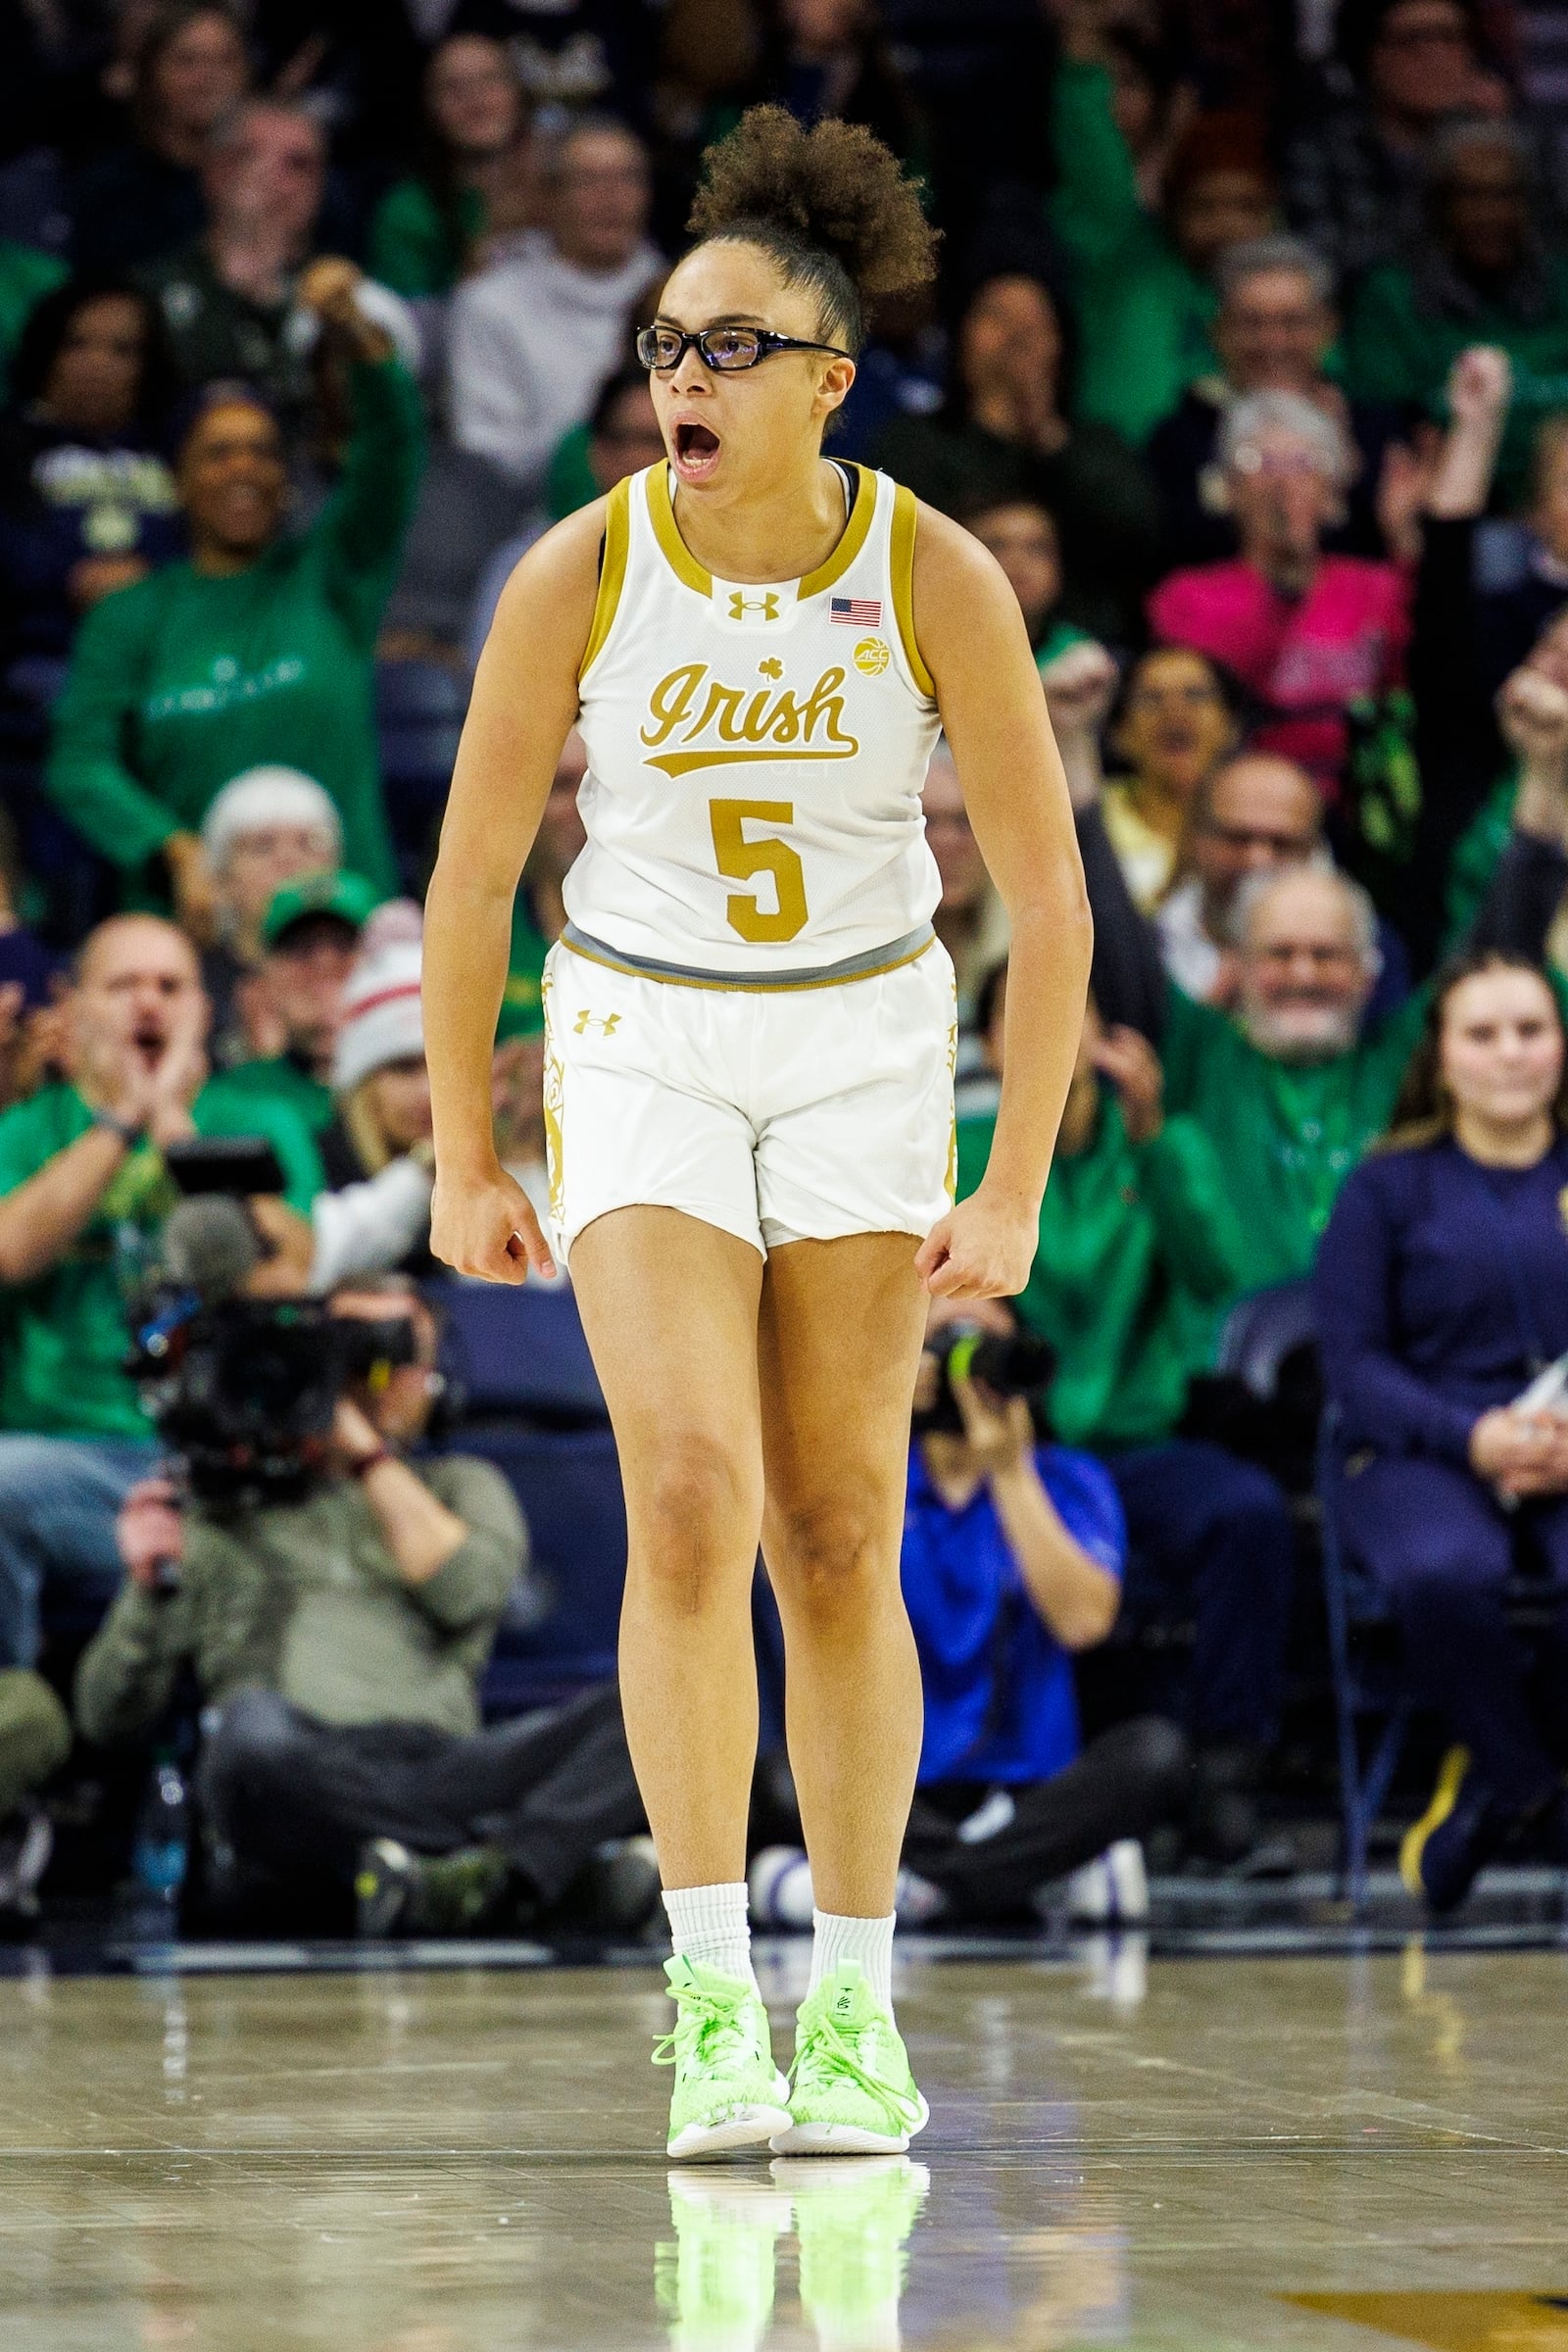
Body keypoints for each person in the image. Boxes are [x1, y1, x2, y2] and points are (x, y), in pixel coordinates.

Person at [421, 106, 1091, 2158]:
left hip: (867, 1051)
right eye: (663, 348)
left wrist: (1013, 1183)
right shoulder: (581, 567)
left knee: (839, 1531)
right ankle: (714, 1996)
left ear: (827, 377)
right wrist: (466, 1150)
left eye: (725, 348)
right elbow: (465, 886)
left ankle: (858, 2004)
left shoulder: (934, 571)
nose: (683, 380)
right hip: (638, 1043)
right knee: (693, 1499)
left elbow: (1046, 907)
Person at [74, 1279, 652, 1936]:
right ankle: (515, 1871)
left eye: (400, 1355)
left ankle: (480, 1875)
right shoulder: (222, 1511)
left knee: (660, 1702)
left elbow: (469, 1589)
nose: (375, 1377)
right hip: (293, 1772)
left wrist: (366, 1455)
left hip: (447, 1763)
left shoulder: (461, 1486)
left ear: (435, 1378)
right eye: (349, 1351)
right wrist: (151, 1587)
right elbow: (106, 1718)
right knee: (247, 1736)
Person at [956, 963, 1297, 1862]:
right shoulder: (961, 1145)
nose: (1050, 1029)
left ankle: (1228, 1774)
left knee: (1249, 1517)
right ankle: (979, 1785)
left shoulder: (1158, 1145)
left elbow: (1217, 1274)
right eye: (1021, 1014)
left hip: (1141, 1442)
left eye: (1072, 1008)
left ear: (1107, 1037)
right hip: (1021, 1446)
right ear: (991, 1045)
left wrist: (1154, 1137)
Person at [756, 1292, 1188, 1927]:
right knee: (783, 1775)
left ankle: (921, 1892)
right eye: (947, 1341)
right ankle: (1026, 1880)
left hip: (1028, 1792)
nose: (968, 1373)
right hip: (895, 1794)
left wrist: (1011, 1474)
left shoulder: (1068, 1478)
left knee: (1156, 1755)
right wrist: (877, 1413)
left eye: (987, 1343)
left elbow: (1084, 1622)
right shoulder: (866, 1485)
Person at [46, 264, 420, 918]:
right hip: (196, 933)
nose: (242, 467)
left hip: (346, 923)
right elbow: (79, 763)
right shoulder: (131, 616)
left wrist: (356, 336)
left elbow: (390, 450)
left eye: (262, 451)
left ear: (286, 478)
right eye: (217, 453)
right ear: (179, 480)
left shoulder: (334, 574)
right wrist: (171, 845)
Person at [1316, 951, 1568, 1913]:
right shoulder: (1384, 1189)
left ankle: (1491, 1794)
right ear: (1443, 1058)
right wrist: (1472, 1436)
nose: (1509, 1053)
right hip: (1418, 1446)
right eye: (1482, 1033)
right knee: (1444, 1571)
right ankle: (1530, 1792)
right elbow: (1353, 1366)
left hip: (1556, 1452)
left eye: (1530, 1030)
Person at [0, 914, 318, 1669]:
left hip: (224, 1460)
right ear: (72, 1008)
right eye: (122, 986)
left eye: (171, 986)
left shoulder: (256, 1119)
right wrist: (119, 1122)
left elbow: (284, 1269)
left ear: (202, 1013)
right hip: (66, 1458)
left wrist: (174, 1127)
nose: (150, 1004)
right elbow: (10, 1253)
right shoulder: (24, 1130)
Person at [870, 271, 1163, 647]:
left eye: (1037, 323)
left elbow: (1136, 538)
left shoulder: (1094, 442)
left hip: (1083, 653)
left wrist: (1046, 432)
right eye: (996, 316)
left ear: (1061, 347)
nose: (1018, 334)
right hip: (943, 639)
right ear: (961, 338)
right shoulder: (914, 441)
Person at [1150, 391, 1411, 796]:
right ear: (1228, 489)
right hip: (1240, 803)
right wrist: (1283, 578)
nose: (1282, 480)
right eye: (1259, 462)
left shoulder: (1380, 588)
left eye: (1304, 463)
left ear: (1332, 492)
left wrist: (1407, 540)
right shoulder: (1186, 598)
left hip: (1358, 810)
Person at [1049, 19, 1279, 448]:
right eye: (1204, 207)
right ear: (1174, 213)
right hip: (1128, 476)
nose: (1224, 224)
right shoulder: (1125, 260)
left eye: (1245, 207)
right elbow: (1098, 179)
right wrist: (1083, 64)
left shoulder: (1287, 297)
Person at [1145, 236, 1408, 568]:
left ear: (1327, 329)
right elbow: (1177, 553)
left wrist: (1347, 473)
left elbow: (1388, 554)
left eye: (1292, 322)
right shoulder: (1178, 440)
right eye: (1252, 323)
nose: (1273, 342)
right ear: (1219, 332)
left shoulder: (1373, 432)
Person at [1345, 119, 1568, 502]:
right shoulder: (1391, 296)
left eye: (1505, 195)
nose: (1489, 214)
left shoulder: (1561, 285)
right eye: (1470, 196)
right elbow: (1385, 431)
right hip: (1440, 507)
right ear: (1437, 205)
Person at [448, 116, 662, 500]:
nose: (610, 196)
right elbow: (485, 455)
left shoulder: (684, 299)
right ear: (551, 196)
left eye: (627, 178)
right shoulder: (490, 305)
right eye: (588, 180)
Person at [0, 280, 181, 694]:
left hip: (171, 657)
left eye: (123, 350)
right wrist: (70, 579)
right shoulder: (7, 448)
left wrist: (151, 583)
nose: (97, 363)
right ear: (44, 351)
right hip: (42, 658)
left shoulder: (178, 449)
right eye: (76, 344)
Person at [1285, 0, 1513, 282]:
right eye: (1412, 39)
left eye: (1449, 37)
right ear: (1368, 54)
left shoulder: (1507, 140)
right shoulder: (1322, 149)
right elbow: (1321, 263)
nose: (1434, 55)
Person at [466, 374, 665, 669]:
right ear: (597, 451)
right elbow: (491, 679)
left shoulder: (728, 563)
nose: (644, 457)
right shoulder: (531, 563)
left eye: (659, 440)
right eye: (628, 439)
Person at [70, 2, 252, 278]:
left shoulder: (280, 179)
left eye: (225, 60)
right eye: (186, 61)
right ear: (151, 73)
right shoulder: (111, 188)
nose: (207, 78)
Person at [367, 33, 536, 304]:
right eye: (453, 87)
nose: (475, 99)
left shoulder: (560, 192)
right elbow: (409, 333)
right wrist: (492, 236)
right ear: (430, 108)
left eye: (489, 80)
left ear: (518, 95)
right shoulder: (407, 212)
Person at [211, 867, 381, 1135]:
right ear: (264, 979)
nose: (324, 963)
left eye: (345, 944)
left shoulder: (430, 1089)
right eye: (301, 948)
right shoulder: (235, 1097)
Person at [311, 933, 437, 1290]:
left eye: (442, 1067)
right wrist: (424, 1168)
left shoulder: (498, 1162)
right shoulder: (317, 1158)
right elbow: (316, 1262)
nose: (427, 1091)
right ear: (362, 1086)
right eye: (403, 1068)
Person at [195, 765, 343, 1064]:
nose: (289, 860)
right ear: (220, 879)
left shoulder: (362, 970)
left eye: (310, 843)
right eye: (262, 845)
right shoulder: (192, 982)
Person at [1097, 646, 1238, 911]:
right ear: (1119, 734)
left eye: (1195, 695)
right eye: (1150, 698)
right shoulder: (1083, 822)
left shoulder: (1263, 817)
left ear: (1230, 726)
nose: (1175, 711)